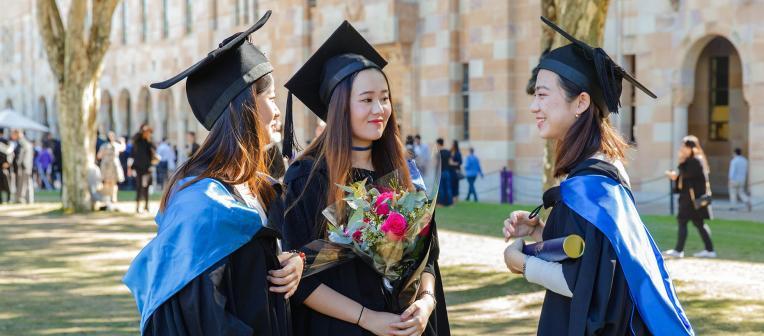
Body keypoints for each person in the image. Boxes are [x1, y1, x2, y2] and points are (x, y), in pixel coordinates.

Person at [502, 17, 693, 335]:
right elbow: (594, 255)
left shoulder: (590, 186)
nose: (534, 106)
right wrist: (541, 235)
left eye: (542, 95)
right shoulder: (603, 170)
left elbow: (580, 282)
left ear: (581, 102)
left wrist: (520, 261)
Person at [124, 11, 301, 335]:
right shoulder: (201, 204)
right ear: (247, 105)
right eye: (271, 98)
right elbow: (204, 316)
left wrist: (295, 261)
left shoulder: (256, 188)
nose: (277, 112)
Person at [280, 21, 450, 336]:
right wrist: (366, 318)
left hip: (407, 326)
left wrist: (425, 302)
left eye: (384, 98)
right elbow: (300, 276)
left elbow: (428, 257)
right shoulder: (307, 178)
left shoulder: (404, 172)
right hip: (342, 328)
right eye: (367, 99)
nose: (380, 109)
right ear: (339, 107)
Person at [663, 135, 716, 258]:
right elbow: (686, 177)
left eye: (684, 146)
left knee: (684, 221)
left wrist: (681, 162)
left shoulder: (695, 160)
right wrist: (676, 176)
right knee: (698, 223)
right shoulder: (694, 160)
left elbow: (687, 175)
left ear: (691, 148)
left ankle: (679, 250)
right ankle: (709, 250)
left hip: (691, 200)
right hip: (690, 199)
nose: (682, 149)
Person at [97, 131, 126, 211]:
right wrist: (123, 141)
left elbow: (99, 156)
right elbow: (123, 148)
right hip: (112, 166)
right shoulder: (115, 145)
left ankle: (109, 199)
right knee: (111, 183)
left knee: (109, 183)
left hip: (108, 166)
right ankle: (111, 199)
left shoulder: (104, 146)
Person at [130, 124, 156, 213]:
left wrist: (149, 141)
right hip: (138, 167)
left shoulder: (149, 141)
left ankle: (146, 206)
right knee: (139, 187)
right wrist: (142, 131)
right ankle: (137, 206)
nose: (148, 133)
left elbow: (153, 151)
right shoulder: (137, 140)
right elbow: (134, 139)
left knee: (146, 187)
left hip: (147, 168)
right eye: (147, 131)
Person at [10, 129, 34, 204]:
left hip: (23, 166)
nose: (12, 136)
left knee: (22, 184)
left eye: (13, 134)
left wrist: (16, 166)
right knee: (28, 184)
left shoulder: (21, 142)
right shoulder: (27, 142)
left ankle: (20, 199)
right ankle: (29, 200)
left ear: (17, 134)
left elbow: (19, 156)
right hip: (28, 166)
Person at [435, 138, 453, 207]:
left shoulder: (438, 153)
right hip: (447, 172)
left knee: (441, 189)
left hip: (440, 173)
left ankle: (441, 203)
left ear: (438, 144)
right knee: (448, 188)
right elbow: (450, 162)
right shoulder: (448, 152)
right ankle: (450, 203)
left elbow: (436, 164)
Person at [0, 129, 13, 203]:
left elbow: (10, 153)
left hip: (5, 167)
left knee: (7, 184)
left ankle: (9, 199)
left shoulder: (6, 141)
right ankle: (1, 200)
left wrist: (8, 162)